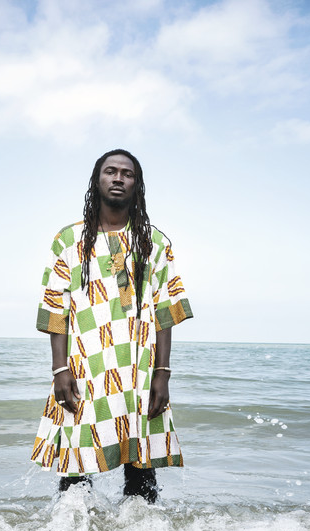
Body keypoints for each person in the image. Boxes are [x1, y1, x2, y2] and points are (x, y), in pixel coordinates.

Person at [31, 149, 193, 502]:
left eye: (127, 173)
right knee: (75, 469)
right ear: (97, 180)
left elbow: (166, 311)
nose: (118, 178)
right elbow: (56, 308)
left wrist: (162, 374)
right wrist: (59, 370)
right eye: (110, 171)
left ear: (137, 185)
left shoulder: (154, 243)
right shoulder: (69, 240)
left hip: (139, 371)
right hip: (85, 367)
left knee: (141, 474)